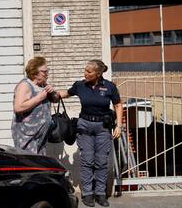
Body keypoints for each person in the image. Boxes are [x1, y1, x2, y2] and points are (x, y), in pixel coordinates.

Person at [58, 59, 123, 207]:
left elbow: (118, 105)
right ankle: (87, 194)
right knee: (87, 161)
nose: (85, 73)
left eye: (89, 71)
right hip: (85, 126)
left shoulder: (109, 87)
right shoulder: (80, 85)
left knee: (101, 162)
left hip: (103, 127)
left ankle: (100, 194)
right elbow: (65, 94)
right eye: (85, 70)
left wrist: (119, 126)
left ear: (98, 73)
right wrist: (48, 93)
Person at [11, 56, 58, 155]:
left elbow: (55, 100)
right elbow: (18, 107)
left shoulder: (42, 85)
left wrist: (52, 92)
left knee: (39, 164)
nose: (47, 74)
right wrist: (39, 97)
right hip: (27, 136)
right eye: (45, 72)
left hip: (41, 135)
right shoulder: (24, 85)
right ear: (35, 73)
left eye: (47, 71)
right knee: (29, 162)